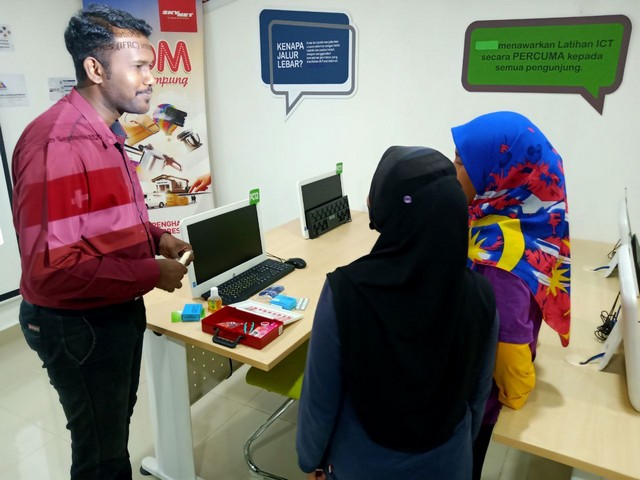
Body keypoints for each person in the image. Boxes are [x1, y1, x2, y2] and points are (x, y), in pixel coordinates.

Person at [11, 5, 192, 479]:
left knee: (111, 432)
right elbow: (53, 270)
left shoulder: (104, 130)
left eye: (151, 65)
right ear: (95, 68)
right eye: (139, 66)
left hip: (113, 307)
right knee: (100, 453)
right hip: (78, 324)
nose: (151, 78)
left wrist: (156, 238)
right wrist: (151, 272)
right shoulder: (59, 143)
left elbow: (101, 219)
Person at [296, 146, 499, 480]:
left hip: (363, 466)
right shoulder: (481, 295)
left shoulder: (345, 292)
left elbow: (320, 401)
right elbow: (478, 397)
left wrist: (310, 461)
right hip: (450, 463)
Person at [451, 111, 571, 479]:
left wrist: (515, 395)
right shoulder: (525, 224)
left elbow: (509, 346)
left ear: (500, 173)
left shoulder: (498, 257)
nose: (452, 172)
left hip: (479, 403)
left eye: (461, 163)